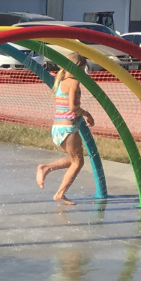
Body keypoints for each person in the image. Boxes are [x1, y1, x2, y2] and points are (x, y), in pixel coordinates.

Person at [37, 52, 95, 205]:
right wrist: (87, 114)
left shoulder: (61, 81)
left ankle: (46, 168)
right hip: (68, 129)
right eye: (82, 70)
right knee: (78, 162)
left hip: (58, 128)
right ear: (75, 69)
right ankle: (60, 194)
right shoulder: (74, 83)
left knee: (73, 160)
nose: (83, 74)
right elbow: (72, 107)